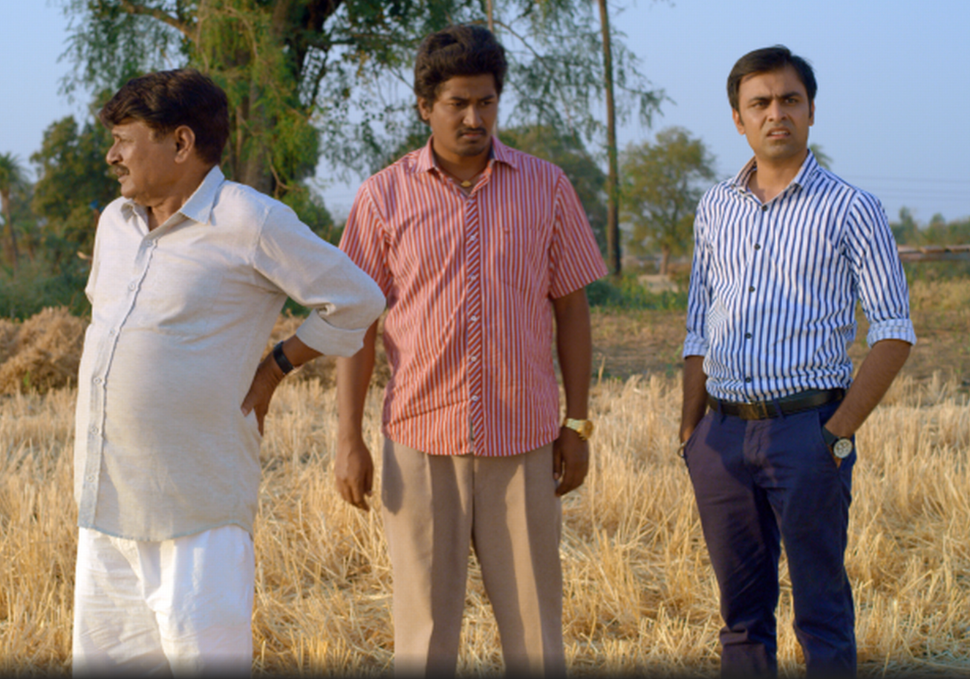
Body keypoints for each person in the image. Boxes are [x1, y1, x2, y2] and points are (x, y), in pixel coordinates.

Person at [72, 68, 385, 676]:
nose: (112, 155)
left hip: (197, 516)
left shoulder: (250, 219)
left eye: (124, 138)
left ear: (181, 143)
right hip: (106, 509)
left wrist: (274, 368)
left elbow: (357, 298)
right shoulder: (115, 222)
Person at [334, 24, 607, 677]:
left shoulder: (546, 187)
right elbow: (357, 325)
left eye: (486, 102)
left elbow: (571, 308)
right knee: (424, 637)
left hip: (524, 443)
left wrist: (576, 422)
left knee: (536, 634)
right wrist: (348, 437)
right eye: (457, 102)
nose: (473, 117)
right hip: (419, 443)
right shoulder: (383, 197)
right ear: (425, 106)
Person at [678, 45, 916, 678]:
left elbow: (894, 330)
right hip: (721, 437)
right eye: (760, 103)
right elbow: (699, 320)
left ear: (811, 112)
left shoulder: (850, 207)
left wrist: (835, 434)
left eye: (789, 100)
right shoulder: (715, 207)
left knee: (822, 613)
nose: (775, 113)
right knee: (741, 619)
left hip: (807, 430)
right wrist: (691, 430)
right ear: (738, 119)